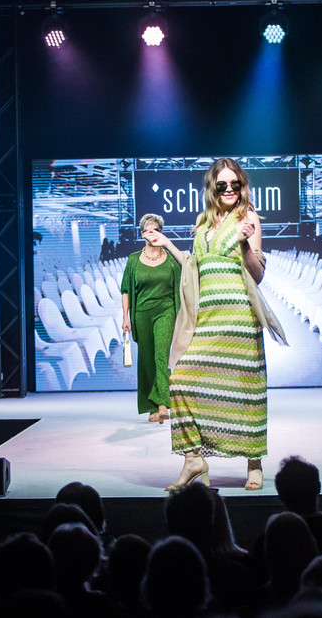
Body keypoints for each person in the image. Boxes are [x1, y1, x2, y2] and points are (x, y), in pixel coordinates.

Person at [150, 158, 286, 491]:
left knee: (246, 389)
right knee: (180, 380)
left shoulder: (248, 218)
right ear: (212, 187)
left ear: (242, 186)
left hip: (239, 317)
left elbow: (258, 274)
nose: (228, 189)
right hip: (207, 318)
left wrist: (244, 243)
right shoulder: (202, 224)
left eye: (234, 184)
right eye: (222, 184)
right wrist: (168, 245)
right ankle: (193, 459)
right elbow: (193, 266)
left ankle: (254, 462)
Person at [121, 213, 181, 424]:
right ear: (142, 234)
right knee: (146, 359)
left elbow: (180, 288)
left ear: (161, 232)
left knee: (161, 356)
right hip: (142, 313)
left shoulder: (172, 260)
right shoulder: (133, 260)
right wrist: (125, 317)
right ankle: (151, 406)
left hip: (166, 311)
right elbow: (126, 289)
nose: (151, 233)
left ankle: (163, 403)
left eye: (155, 229)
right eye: (146, 230)